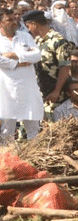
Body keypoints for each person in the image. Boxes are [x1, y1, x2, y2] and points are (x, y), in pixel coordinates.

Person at [0, 8, 43, 144]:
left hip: (27, 87)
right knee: (7, 129)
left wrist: (15, 55)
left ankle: (34, 160)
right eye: (9, 20)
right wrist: (21, 62)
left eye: (15, 19)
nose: (14, 22)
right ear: (1, 23)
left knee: (33, 127)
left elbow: (37, 55)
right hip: (6, 89)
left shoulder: (25, 36)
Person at [22, 9, 73, 116]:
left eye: (29, 26)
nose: (29, 30)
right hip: (40, 94)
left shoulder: (58, 40)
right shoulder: (37, 41)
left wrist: (56, 91)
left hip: (55, 95)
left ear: (34, 24)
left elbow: (65, 67)